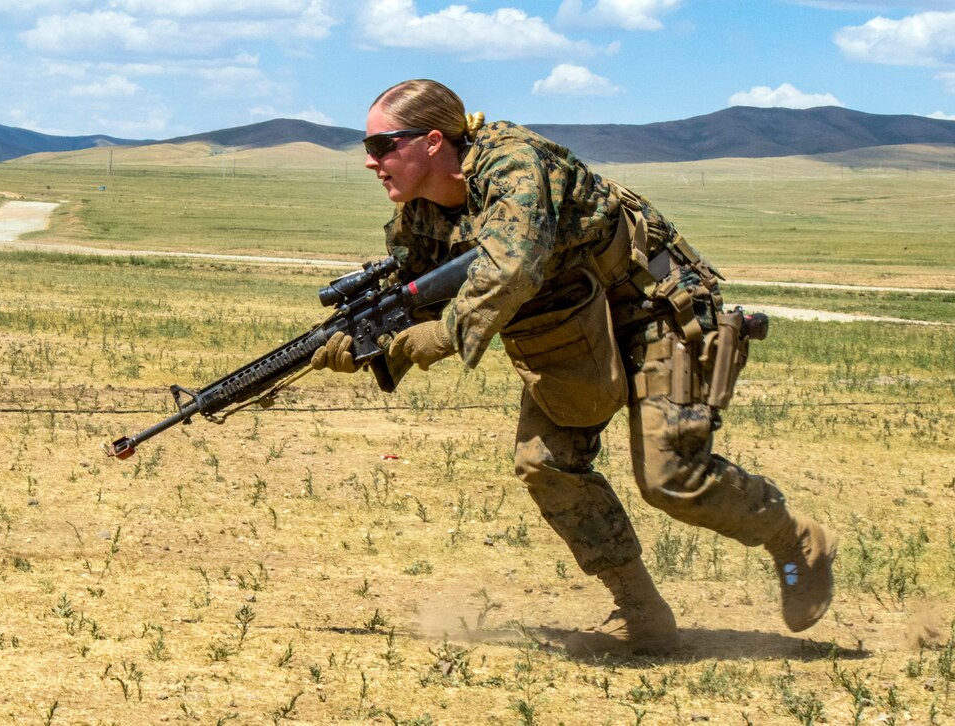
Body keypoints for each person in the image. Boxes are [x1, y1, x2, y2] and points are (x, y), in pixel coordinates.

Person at [311, 79, 837, 654]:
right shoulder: (422, 212)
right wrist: (366, 343)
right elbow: (415, 292)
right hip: (570, 322)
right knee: (545, 464)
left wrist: (435, 338)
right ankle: (641, 613)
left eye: (383, 145)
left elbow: (509, 269)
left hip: (658, 309)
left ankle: (796, 541)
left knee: (671, 478)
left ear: (433, 141)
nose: (370, 161)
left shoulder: (515, 165)